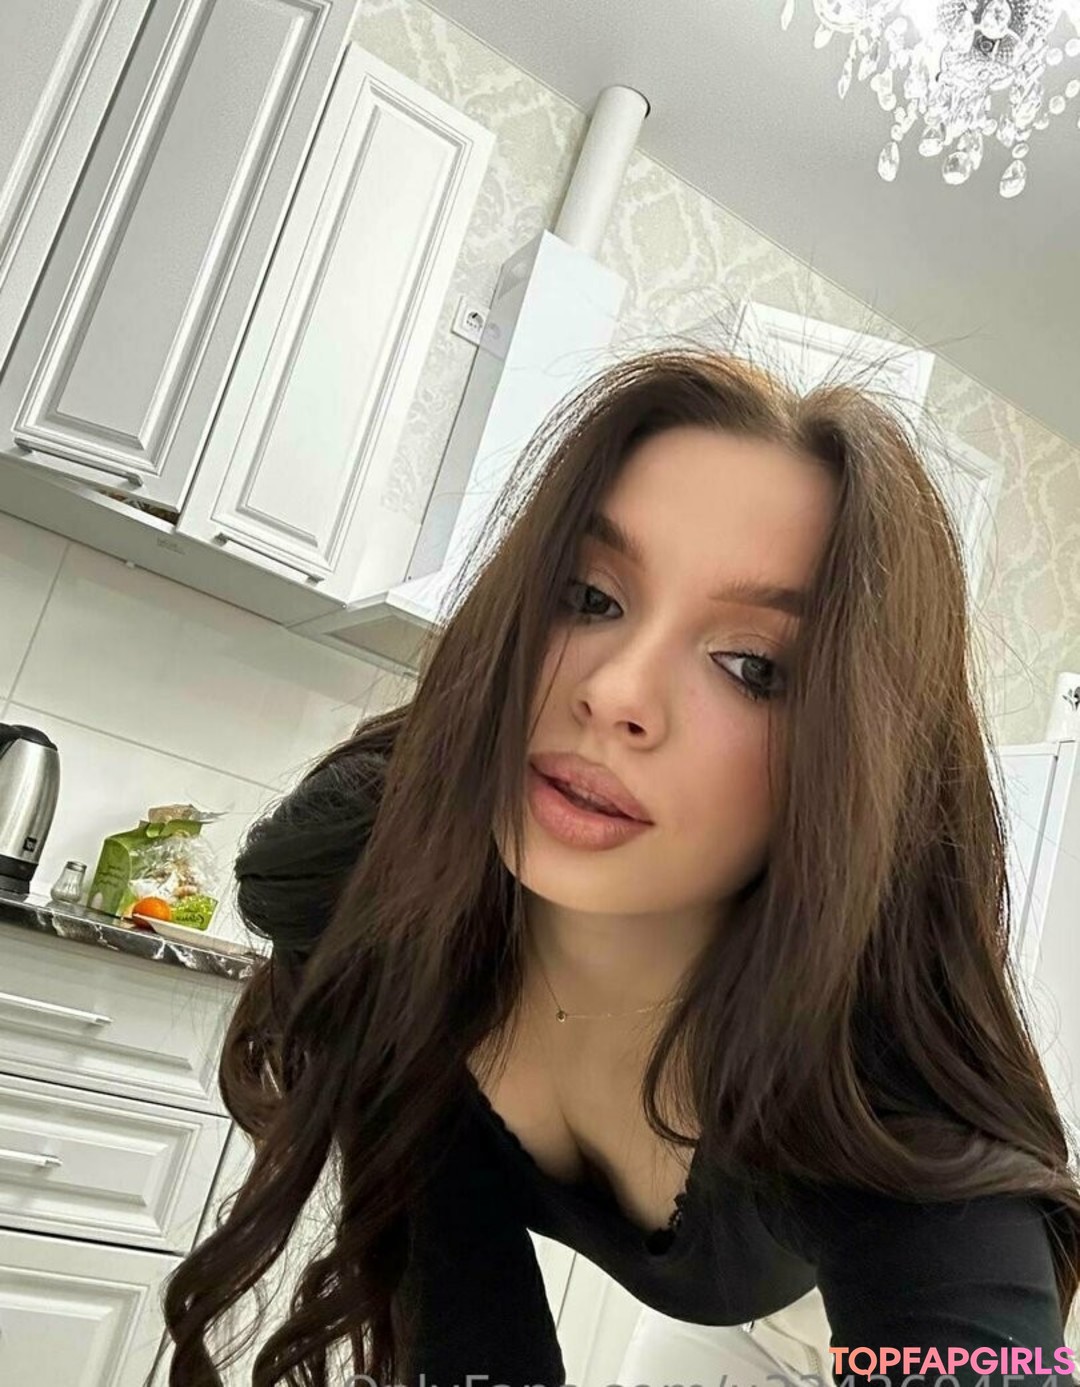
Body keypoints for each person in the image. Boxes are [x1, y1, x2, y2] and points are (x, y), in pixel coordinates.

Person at [159, 347, 1080, 1387]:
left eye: (754, 667)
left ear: (858, 770)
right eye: (590, 596)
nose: (617, 693)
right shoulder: (363, 872)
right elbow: (458, 1285)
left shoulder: (886, 1109)